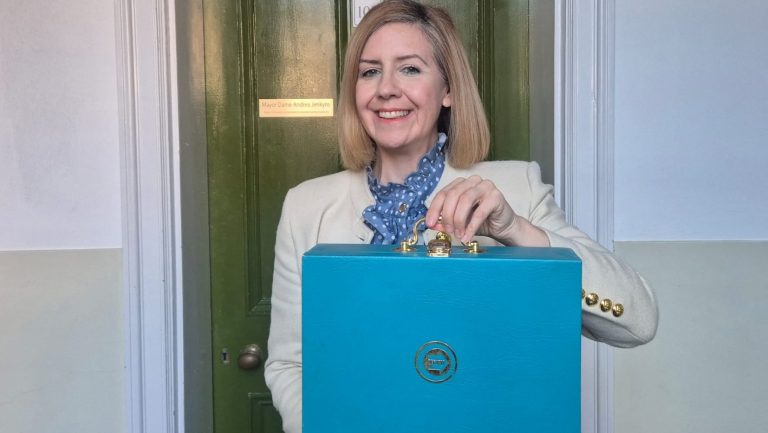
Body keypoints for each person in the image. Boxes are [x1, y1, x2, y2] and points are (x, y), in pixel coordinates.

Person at [265, 1, 658, 432]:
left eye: (410, 69)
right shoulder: (306, 207)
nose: (386, 89)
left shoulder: (516, 189)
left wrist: (515, 229)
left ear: (448, 90)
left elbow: (638, 321)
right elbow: (289, 364)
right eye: (369, 71)